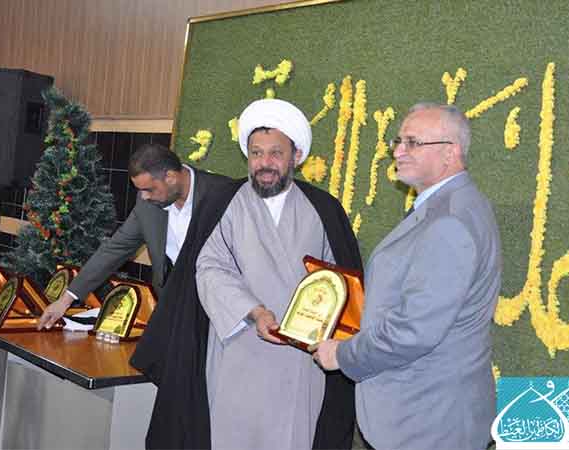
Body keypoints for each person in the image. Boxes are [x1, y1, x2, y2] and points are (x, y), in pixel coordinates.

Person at [130, 98, 362, 450]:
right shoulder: (223, 201)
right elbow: (209, 267)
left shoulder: (324, 209)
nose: (264, 163)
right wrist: (255, 312)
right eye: (256, 153)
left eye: (275, 153)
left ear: (296, 156)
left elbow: (340, 284)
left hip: (300, 362)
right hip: (237, 347)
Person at [312, 103, 502, 450]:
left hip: (427, 419)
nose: (398, 151)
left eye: (413, 142)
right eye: (398, 141)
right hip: (433, 415)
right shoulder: (458, 204)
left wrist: (341, 355)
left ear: (450, 153)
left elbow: (413, 331)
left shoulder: (449, 222)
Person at [37, 143, 228, 330]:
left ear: (170, 177)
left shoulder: (223, 193)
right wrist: (65, 300)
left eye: (149, 189)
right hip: (175, 307)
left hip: (219, 310)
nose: (144, 197)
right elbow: (114, 249)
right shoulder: (148, 204)